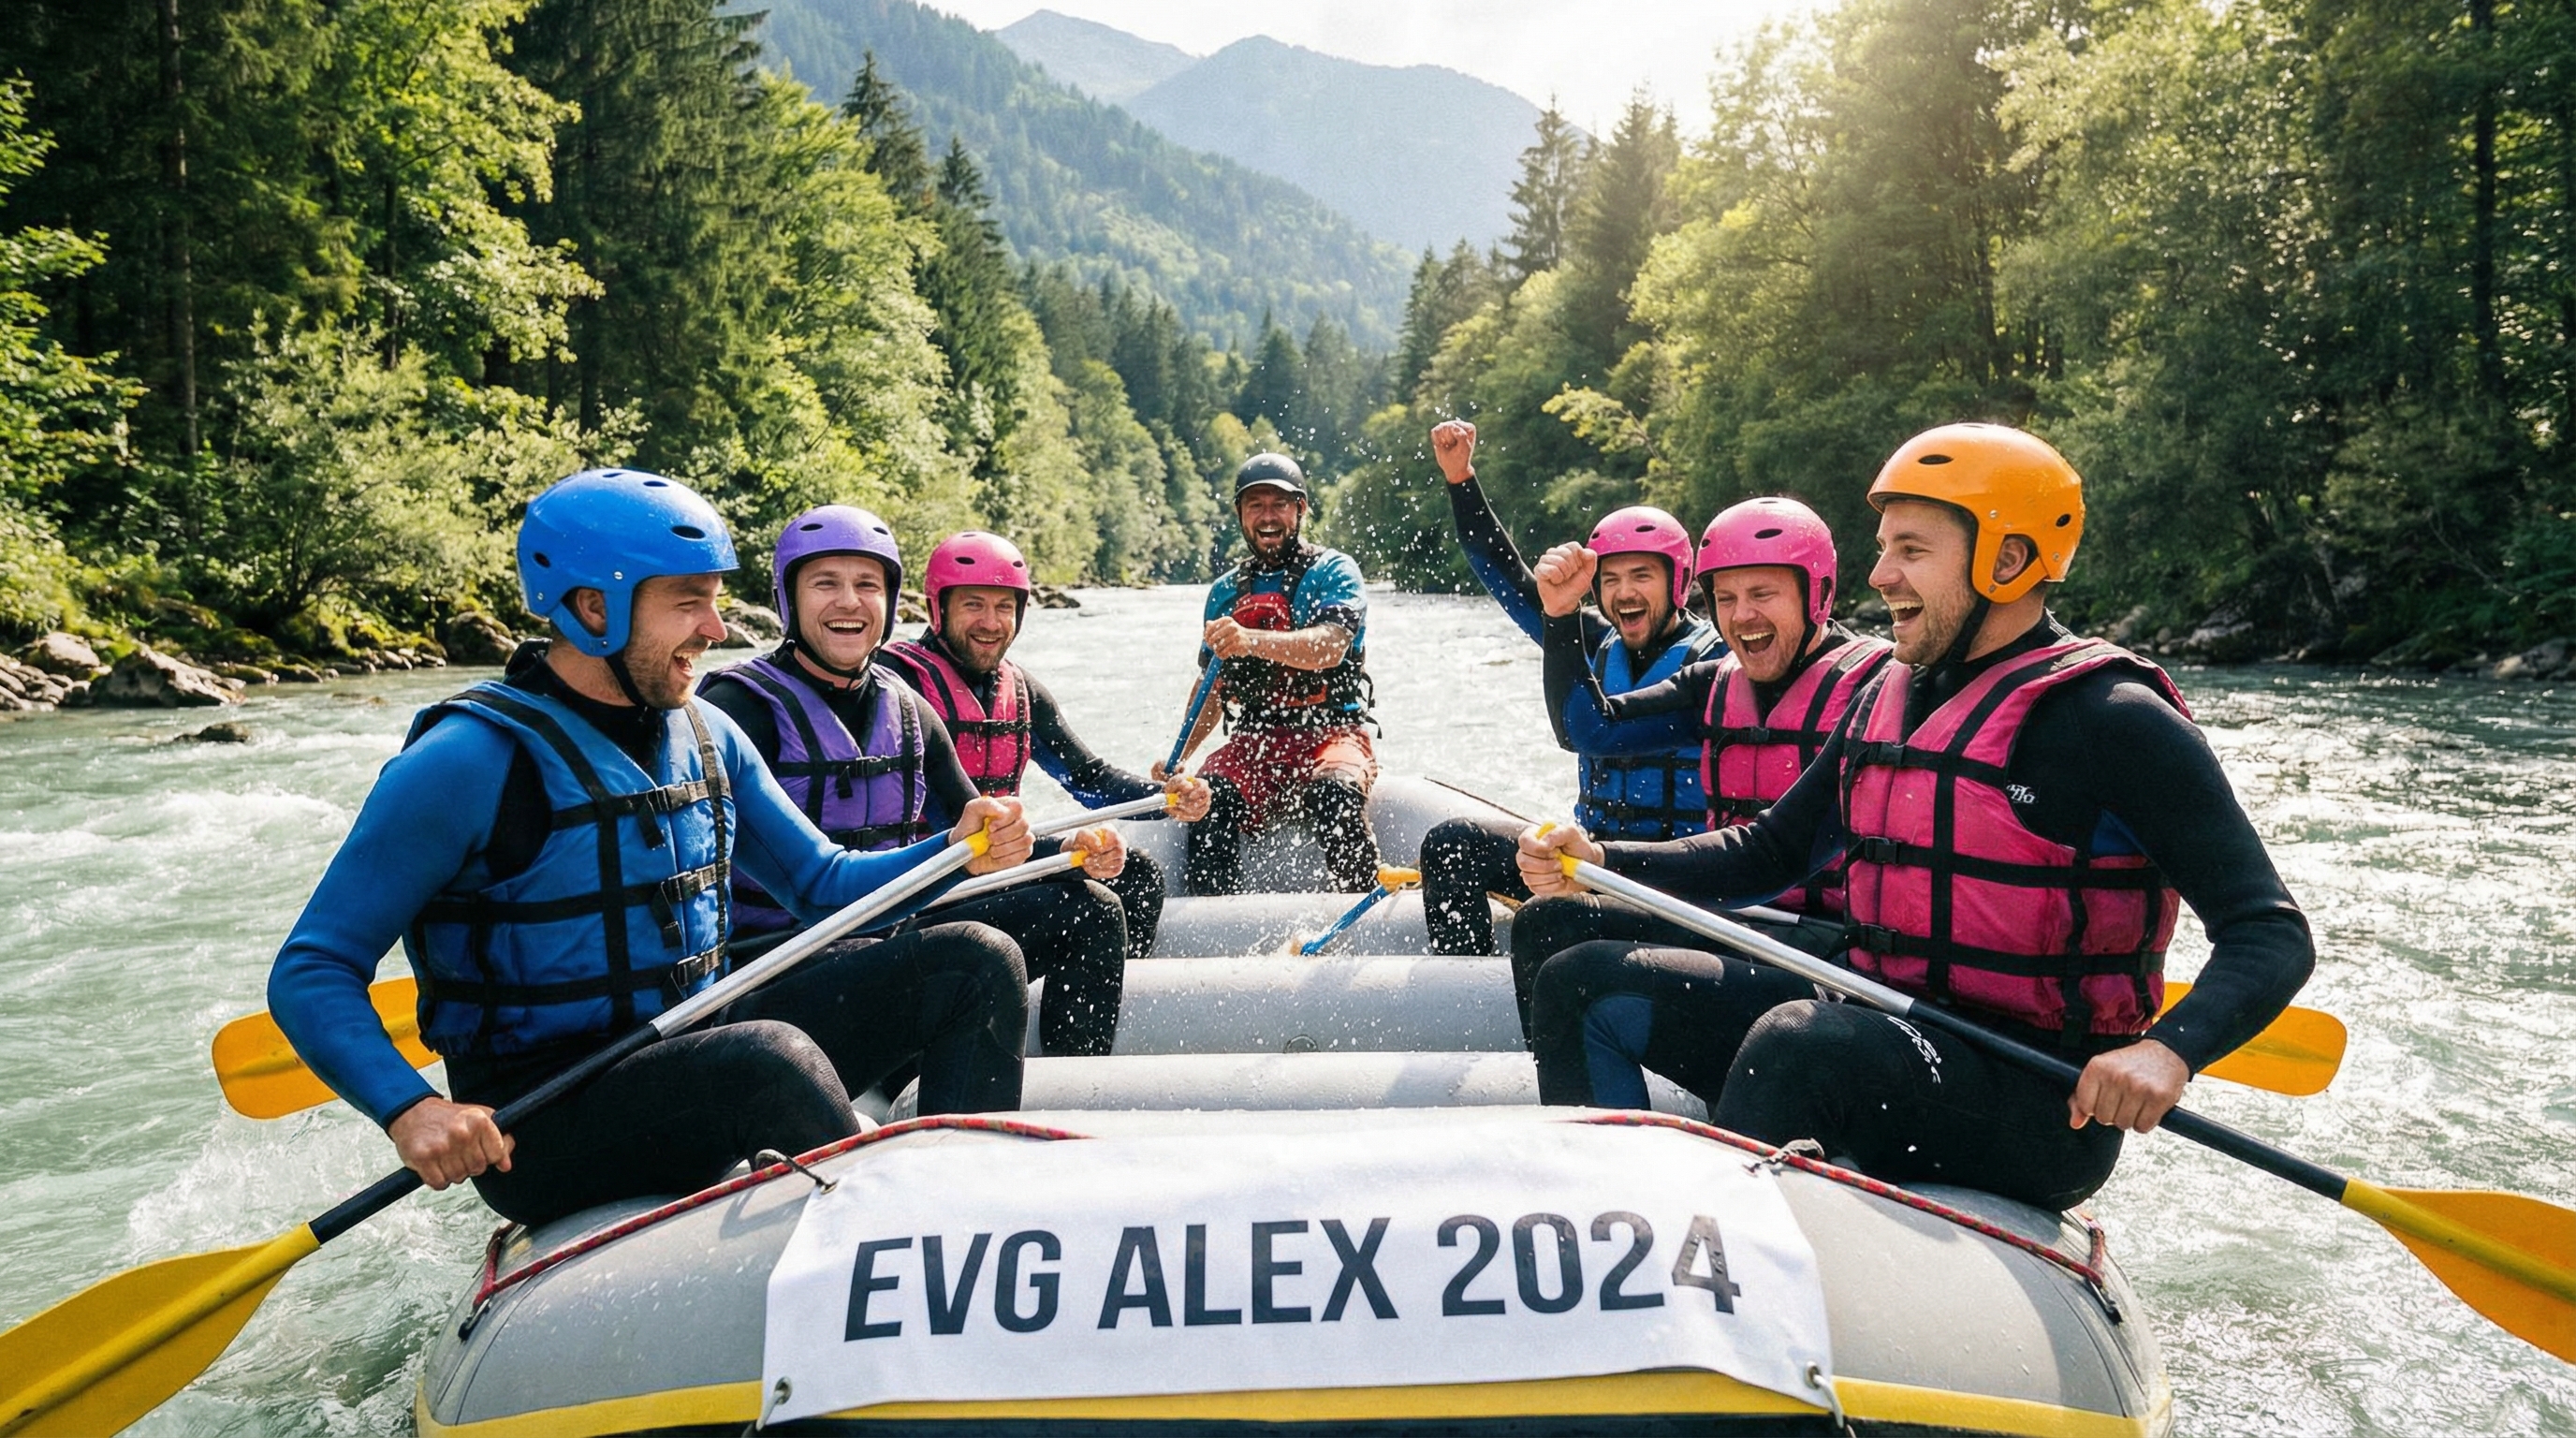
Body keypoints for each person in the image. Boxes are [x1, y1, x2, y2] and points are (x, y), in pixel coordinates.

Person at [1515, 424, 2315, 1211]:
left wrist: (2169, 1051)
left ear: (2007, 561)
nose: (1880, 574)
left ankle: (1720, 1287)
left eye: (1911, 550)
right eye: (1883, 547)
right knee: (1580, 981)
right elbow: (1770, 850)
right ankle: (1602, 1227)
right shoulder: (1888, 693)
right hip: (1886, 1022)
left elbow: (2269, 931)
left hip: (2040, 1096)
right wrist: (1604, 860)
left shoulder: (2112, 718)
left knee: (1803, 1046)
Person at [268, 471, 1036, 1228]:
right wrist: (414, 1110)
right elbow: (313, 969)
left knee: (972, 957)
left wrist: (955, 849)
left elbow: (823, 884)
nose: (715, 628)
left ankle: (969, 1213)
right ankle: (896, 1247)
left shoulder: (708, 732)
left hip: (693, 1036)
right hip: (543, 1118)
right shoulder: (466, 761)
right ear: (593, 607)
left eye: (713, 599)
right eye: (687, 602)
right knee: (763, 1059)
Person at [698, 507, 1134, 1059]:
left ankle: (1073, 1085)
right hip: (774, 961)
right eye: (825, 583)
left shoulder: (909, 710)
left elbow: (974, 832)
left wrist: (1065, 848)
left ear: (889, 600)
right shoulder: (736, 711)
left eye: (867, 585)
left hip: (883, 938)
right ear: (788, 598)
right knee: (975, 957)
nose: (850, 602)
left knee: (1091, 907)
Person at [1510, 497, 1893, 1027]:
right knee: (1550, 922)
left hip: (1827, 946)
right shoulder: (1712, 683)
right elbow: (1587, 730)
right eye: (1726, 597)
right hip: (1731, 916)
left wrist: (1603, 860)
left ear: (1820, 593)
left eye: (1762, 593)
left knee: (1581, 973)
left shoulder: (1879, 690)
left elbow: (1770, 853)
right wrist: (1559, 615)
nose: (1742, 616)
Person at [1414, 418, 1724, 957]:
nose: (1624, 592)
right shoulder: (1589, 641)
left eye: (1641, 576)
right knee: (1452, 844)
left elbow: (1590, 732)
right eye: (1610, 579)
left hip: (1668, 882)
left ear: (1678, 581)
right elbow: (1504, 575)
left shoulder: (1715, 663)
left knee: (1562, 918)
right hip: (1588, 858)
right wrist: (1461, 480)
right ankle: (1468, 981)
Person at [878, 529, 1213, 963]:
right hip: (928, 883)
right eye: (973, 605)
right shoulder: (896, 685)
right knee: (1090, 905)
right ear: (936, 610)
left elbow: (1088, 777)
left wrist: (1167, 799)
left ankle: (1110, 1004)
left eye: (1004, 607)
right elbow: (952, 817)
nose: (991, 622)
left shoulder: (1021, 691)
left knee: (1137, 874)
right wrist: (1064, 847)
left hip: (998, 864)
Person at [1172, 453, 1382, 895]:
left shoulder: (1334, 571)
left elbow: (1330, 647)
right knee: (1209, 801)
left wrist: (1249, 640)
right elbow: (1212, 688)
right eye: (1256, 505)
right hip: (1255, 741)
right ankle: (1215, 924)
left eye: (1280, 505)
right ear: (1240, 514)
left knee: (1335, 795)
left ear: (1300, 509)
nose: (1268, 516)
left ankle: (1361, 908)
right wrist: (1180, 758)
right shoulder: (1225, 592)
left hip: (1333, 734)